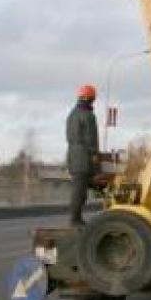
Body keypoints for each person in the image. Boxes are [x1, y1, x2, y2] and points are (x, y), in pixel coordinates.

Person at [66, 84, 100, 226]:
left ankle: (76, 218)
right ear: (90, 98)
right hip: (84, 158)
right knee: (80, 191)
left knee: (78, 188)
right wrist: (94, 156)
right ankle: (75, 219)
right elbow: (91, 138)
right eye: (93, 98)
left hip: (72, 156)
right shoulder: (88, 116)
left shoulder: (72, 115)